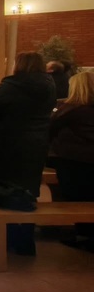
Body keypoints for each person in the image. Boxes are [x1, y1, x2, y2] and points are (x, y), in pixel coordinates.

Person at [0, 51, 57, 256]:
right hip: (36, 146)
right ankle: (26, 240)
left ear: (18, 65)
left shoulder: (11, 85)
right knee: (27, 191)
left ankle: (5, 238)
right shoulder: (49, 86)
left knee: (0, 188)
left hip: (6, 145)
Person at [49, 71, 94, 251]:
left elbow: (49, 128)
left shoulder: (69, 109)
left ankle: (84, 234)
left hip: (74, 161)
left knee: (77, 198)